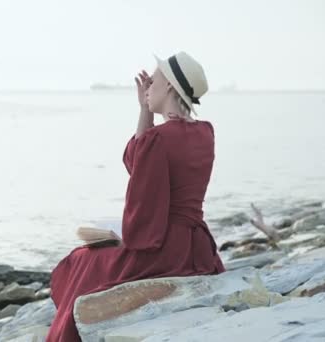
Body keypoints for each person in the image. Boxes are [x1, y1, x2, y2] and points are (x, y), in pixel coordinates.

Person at [46, 52, 226, 341]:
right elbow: (140, 162)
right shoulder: (205, 132)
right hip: (199, 247)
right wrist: (146, 110)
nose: (148, 86)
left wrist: (121, 238)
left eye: (153, 80)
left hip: (166, 248)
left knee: (82, 260)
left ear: (168, 85)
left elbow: (141, 203)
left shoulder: (160, 139)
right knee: (92, 257)